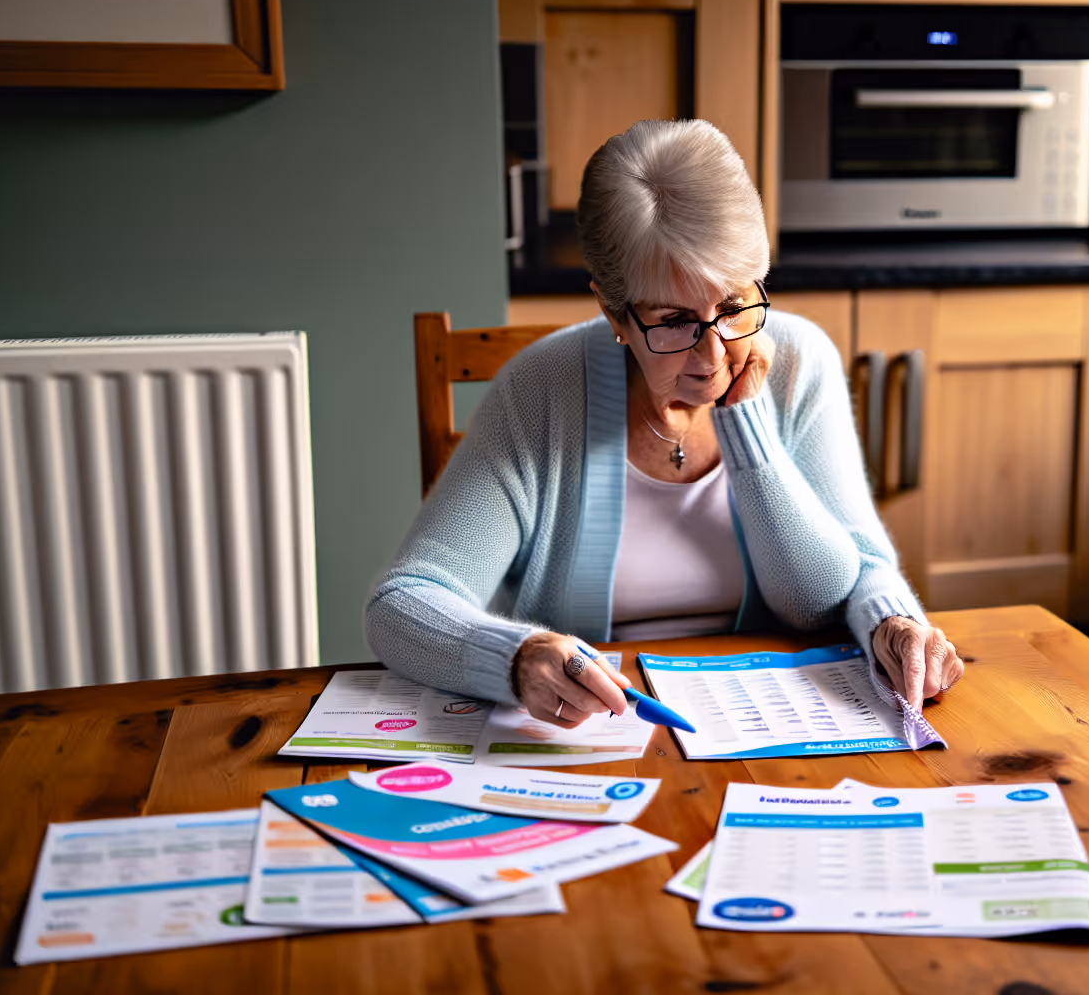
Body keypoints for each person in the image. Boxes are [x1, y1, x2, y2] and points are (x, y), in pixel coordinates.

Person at [365, 119, 963, 727]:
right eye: (675, 320)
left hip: (771, 727)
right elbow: (403, 605)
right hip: (597, 734)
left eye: (733, 306)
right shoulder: (541, 391)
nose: (713, 356)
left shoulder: (798, 360)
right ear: (613, 312)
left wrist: (892, 619)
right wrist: (516, 658)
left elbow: (834, 588)